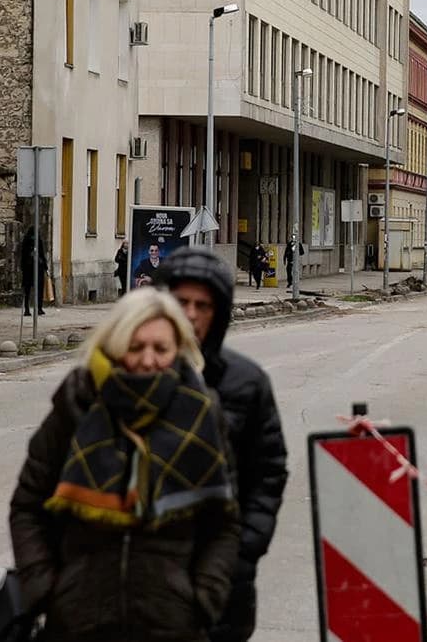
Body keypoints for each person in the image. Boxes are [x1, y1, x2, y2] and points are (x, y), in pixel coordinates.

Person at [9, 289, 239, 642]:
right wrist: (45, 589)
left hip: (173, 626)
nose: (148, 361)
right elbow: (28, 505)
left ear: (177, 350)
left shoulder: (202, 415)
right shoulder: (76, 405)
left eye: (160, 349)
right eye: (136, 347)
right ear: (116, 347)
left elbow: (224, 523)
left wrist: (204, 597)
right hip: (77, 623)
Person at [155, 247, 288, 642]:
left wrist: (245, 551)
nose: (191, 315)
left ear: (220, 311)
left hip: (223, 574)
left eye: (203, 305)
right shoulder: (131, 372)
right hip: (145, 576)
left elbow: (268, 473)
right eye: (181, 303)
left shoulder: (245, 383)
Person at [20, 227, 48, 317]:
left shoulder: (26, 240)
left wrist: (22, 267)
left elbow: (23, 255)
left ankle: (27, 309)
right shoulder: (38, 240)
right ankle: (39, 308)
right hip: (37, 268)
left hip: (28, 268)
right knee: (39, 289)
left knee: (27, 290)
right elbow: (42, 254)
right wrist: (46, 267)